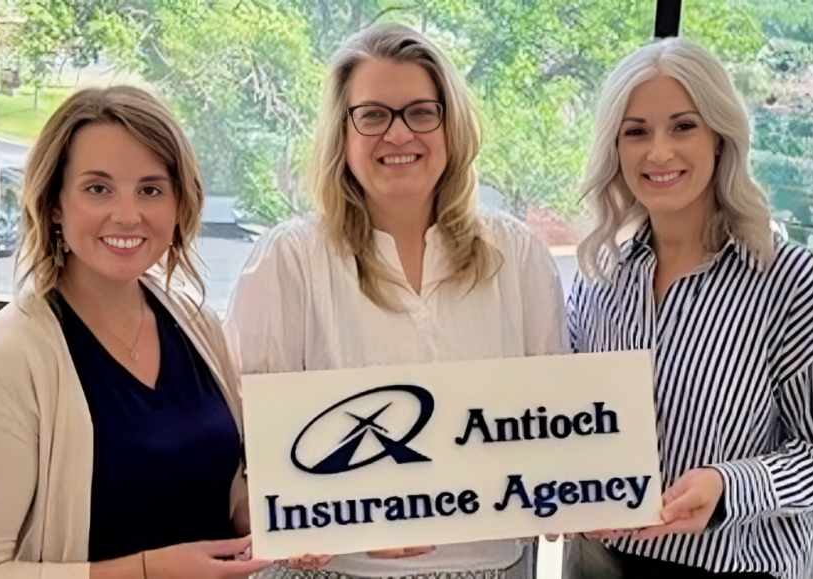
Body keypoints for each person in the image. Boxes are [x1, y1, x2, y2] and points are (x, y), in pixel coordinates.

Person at [225, 25, 567, 579]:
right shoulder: (288, 259)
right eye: (374, 115)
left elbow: (554, 415)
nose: (398, 134)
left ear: (450, 125)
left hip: (493, 564)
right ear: (344, 133)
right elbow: (248, 433)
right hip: (335, 570)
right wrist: (295, 523)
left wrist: (574, 487)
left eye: (420, 112)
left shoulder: (517, 254)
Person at [0, 86, 270, 579]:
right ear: (56, 204)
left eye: (150, 189)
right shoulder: (7, 358)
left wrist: (289, 524)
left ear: (178, 204)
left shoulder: (196, 324)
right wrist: (148, 570)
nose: (127, 215)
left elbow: (223, 483)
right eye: (98, 188)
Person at [564, 38, 813, 579]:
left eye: (683, 126)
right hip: (597, 565)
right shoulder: (597, 277)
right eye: (636, 132)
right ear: (615, 149)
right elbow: (568, 427)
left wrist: (727, 487)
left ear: (720, 139)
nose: (658, 152)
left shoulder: (786, 281)